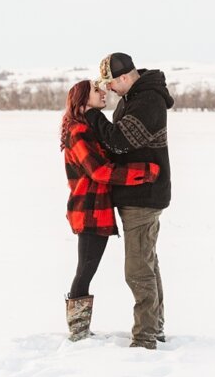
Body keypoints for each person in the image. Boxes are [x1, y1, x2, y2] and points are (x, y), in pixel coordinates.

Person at [85, 53, 174, 350]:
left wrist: (91, 115)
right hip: (140, 193)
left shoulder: (147, 101)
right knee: (147, 262)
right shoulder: (133, 98)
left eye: (110, 83)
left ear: (124, 77)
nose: (108, 89)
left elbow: (119, 141)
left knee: (137, 268)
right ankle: (155, 327)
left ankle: (145, 337)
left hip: (144, 196)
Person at [60, 79, 160, 342]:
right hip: (89, 210)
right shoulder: (78, 131)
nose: (102, 93)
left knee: (86, 269)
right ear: (83, 100)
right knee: (85, 271)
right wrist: (145, 173)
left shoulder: (86, 128)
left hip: (98, 209)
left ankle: (79, 330)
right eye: (96, 90)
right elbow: (100, 171)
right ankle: (78, 333)